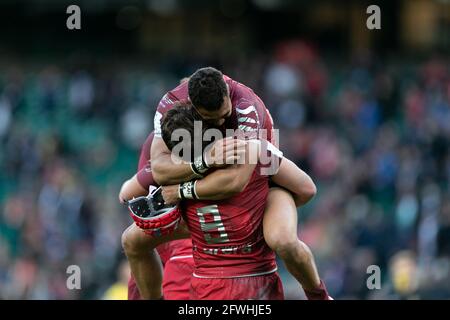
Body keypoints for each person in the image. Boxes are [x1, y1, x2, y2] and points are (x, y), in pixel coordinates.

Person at [121, 67, 330, 299]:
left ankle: (319, 296)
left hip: (261, 185)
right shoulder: (173, 114)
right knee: (132, 240)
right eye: (213, 118)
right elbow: (154, 174)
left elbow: (237, 182)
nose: (221, 119)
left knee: (284, 241)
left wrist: (181, 190)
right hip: (211, 219)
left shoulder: (247, 113)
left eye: (224, 113)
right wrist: (201, 164)